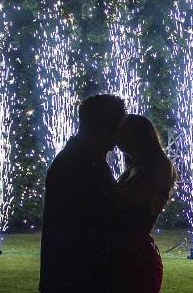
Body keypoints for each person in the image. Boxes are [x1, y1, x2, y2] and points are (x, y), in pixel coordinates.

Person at [39, 94, 127, 293]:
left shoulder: (85, 159)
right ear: (105, 129)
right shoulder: (79, 166)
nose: (122, 135)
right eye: (120, 128)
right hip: (77, 280)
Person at [101, 114, 177, 293]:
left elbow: (123, 203)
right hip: (123, 253)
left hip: (135, 257)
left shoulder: (159, 168)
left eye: (124, 132)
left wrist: (101, 166)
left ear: (141, 136)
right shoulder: (132, 169)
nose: (118, 137)